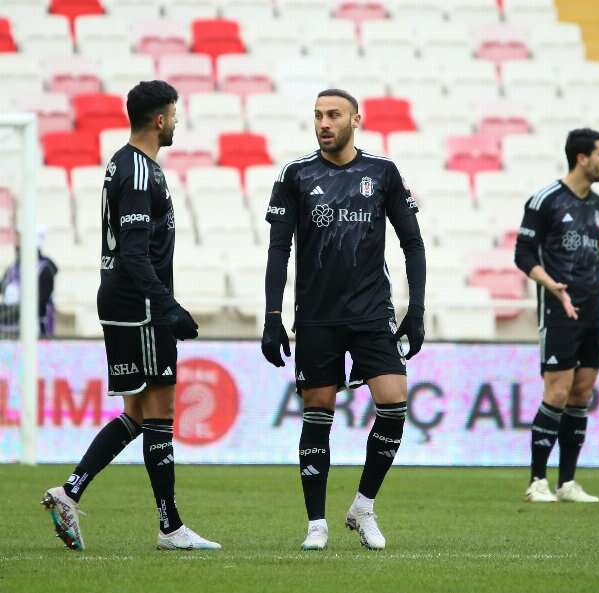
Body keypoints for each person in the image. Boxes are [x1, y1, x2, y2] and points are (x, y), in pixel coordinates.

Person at [41, 80, 220, 551]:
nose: (176, 122)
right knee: (159, 413)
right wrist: (168, 307)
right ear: (159, 119)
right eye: (174, 115)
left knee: (138, 413)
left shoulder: (124, 163)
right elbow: (135, 255)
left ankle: (69, 491)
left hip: (123, 302)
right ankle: (170, 528)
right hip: (139, 308)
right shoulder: (140, 173)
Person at [262, 89, 426, 550]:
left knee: (394, 404)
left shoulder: (383, 172)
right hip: (316, 316)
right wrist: (273, 316)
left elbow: (413, 243)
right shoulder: (295, 174)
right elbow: (278, 250)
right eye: (318, 115)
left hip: (372, 311)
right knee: (318, 412)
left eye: (334, 115)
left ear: (356, 119)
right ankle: (316, 524)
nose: (324, 123)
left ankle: (363, 506)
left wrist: (416, 309)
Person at [514, 128, 599, 503]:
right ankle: (537, 481)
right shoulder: (546, 200)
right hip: (559, 308)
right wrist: (550, 285)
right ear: (582, 159)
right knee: (558, 391)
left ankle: (567, 483)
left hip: (593, 312)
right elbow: (523, 254)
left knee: (581, 393)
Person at [0, 230, 57, 337]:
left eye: (20, 242)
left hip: (37, 330)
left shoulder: (44, 270)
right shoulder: (12, 268)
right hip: (9, 329)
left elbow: (38, 302)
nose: (16, 246)